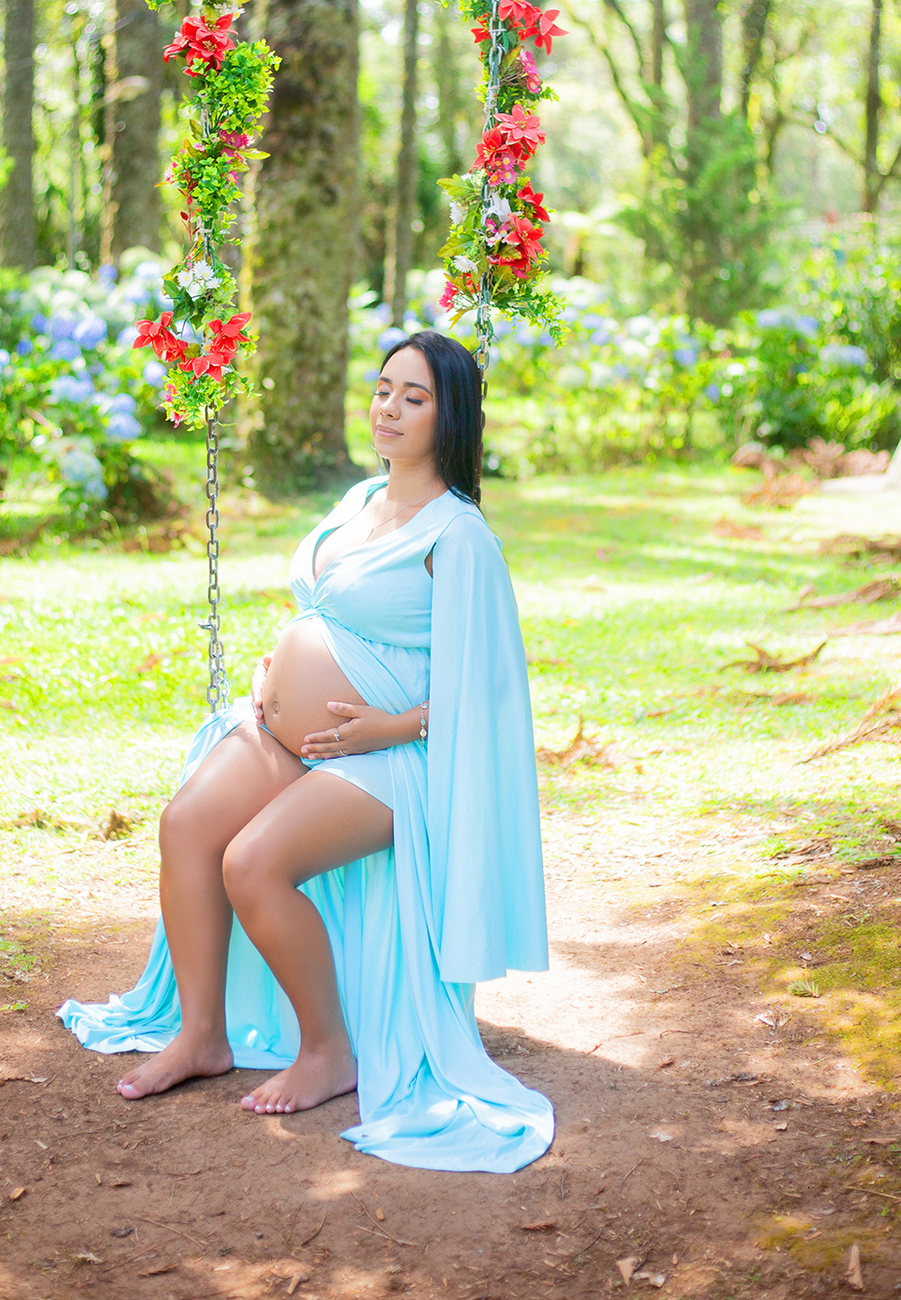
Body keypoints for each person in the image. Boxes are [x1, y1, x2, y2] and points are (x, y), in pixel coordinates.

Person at [59, 329, 553, 1173]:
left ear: (451, 415)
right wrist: (275, 664)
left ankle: (329, 1052)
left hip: (389, 763)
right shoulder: (361, 498)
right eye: (384, 388)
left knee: (252, 862)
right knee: (187, 826)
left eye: (415, 397)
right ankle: (201, 1034)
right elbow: (328, 613)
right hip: (296, 738)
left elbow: (491, 687)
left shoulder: (458, 535)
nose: (389, 408)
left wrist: (389, 729)